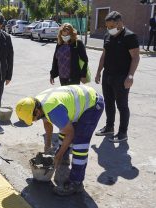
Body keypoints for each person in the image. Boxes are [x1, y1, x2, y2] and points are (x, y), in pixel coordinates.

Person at [16, 85, 105, 196]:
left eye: (32, 119)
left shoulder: (52, 109)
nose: (33, 121)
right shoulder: (37, 103)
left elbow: (70, 133)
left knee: (79, 145)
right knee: (63, 134)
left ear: (37, 112)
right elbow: (47, 123)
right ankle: (63, 159)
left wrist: (58, 155)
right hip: (79, 102)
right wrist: (47, 145)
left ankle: (76, 183)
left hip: (92, 105)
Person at [95, 11, 140, 143]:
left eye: (111, 26)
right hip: (108, 75)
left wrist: (130, 76)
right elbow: (104, 55)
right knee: (108, 103)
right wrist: (98, 72)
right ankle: (109, 127)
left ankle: (122, 133)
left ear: (119, 23)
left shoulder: (130, 36)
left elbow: (135, 57)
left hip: (122, 77)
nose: (109, 29)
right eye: (107, 27)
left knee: (122, 105)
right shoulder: (107, 36)